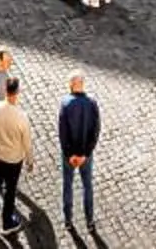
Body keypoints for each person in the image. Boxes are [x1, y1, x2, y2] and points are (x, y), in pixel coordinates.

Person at [0, 77, 32, 239]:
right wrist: (30, 161)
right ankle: (7, 223)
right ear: (17, 93)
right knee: (10, 191)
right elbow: (27, 143)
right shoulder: (21, 117)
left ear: (6, 90)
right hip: (15, 160)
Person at [57, 73, 100, 233]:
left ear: (71, 84)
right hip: (85, 155)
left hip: (69, 155)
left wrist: (69, 155)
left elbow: (63, 132)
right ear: (82, 84)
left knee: (67, 186)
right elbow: (95, 131)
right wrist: (86, 154)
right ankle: (89, 221)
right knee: (87, 186)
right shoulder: (91, 103)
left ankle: (68, 220)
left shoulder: (66, 104)